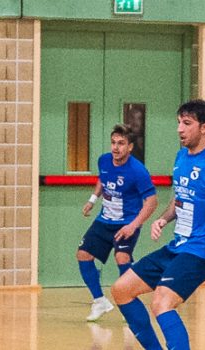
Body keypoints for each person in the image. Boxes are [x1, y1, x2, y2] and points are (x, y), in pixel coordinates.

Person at [109, 100, 205, 350]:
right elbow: (179, 198)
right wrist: (163, 218)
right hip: (177, 246)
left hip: (202, 251)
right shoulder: (182, 156)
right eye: (179, 122)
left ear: (204, 128)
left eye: (187, 124)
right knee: (121, 290)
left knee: (162, 302)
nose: (180, 129)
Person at [77, 124, 158, 322]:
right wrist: (92, 200)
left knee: (122, 258)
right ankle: (100, 301)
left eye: (121, 143)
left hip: (126, 222)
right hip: (104, 220)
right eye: (113, 142)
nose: (116, 147)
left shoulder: (138, 171)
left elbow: (152, 201)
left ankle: (131, 303)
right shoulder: (104, 160)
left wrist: (134, 225)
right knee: (83, 254)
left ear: (130, 147)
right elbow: (103, 180)